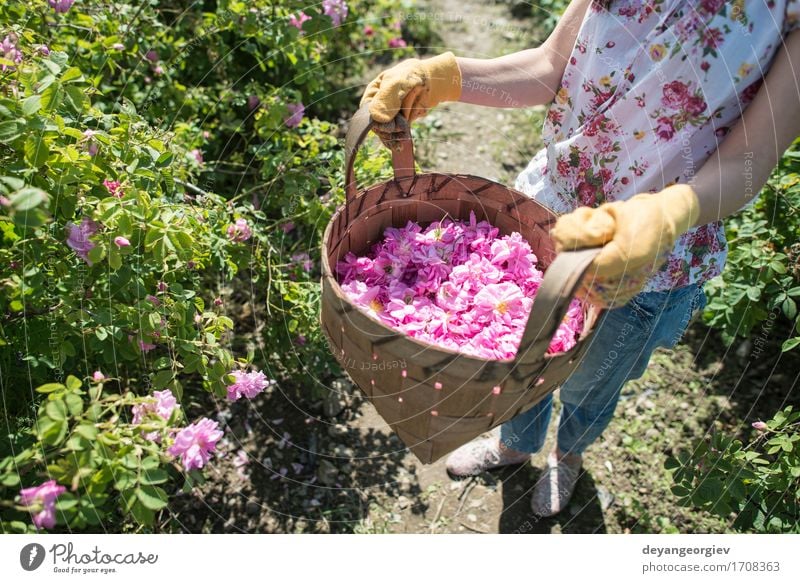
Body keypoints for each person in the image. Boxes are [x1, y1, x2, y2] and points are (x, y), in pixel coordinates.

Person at [360, 0, 800, 517]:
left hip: (647, 260)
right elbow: (551, 67)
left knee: (593, 380)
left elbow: (750, 162)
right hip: (545, 218)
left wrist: (668, 212)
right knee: (521, 358)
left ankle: (567, 457)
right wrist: (446, 77)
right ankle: (515, 445)